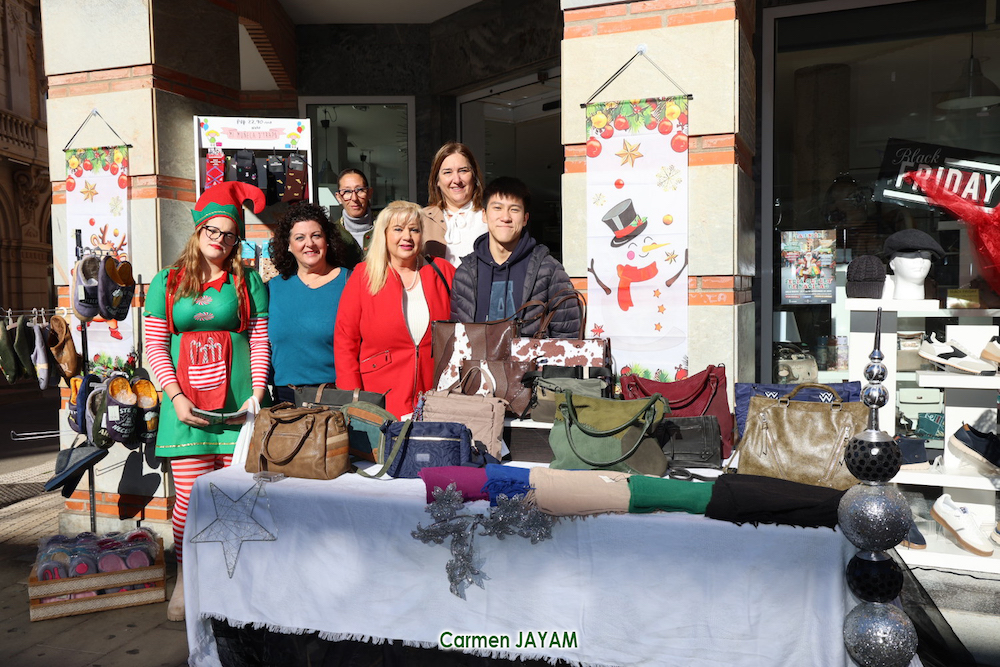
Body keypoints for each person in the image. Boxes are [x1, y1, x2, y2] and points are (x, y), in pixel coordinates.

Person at [143, 182, 270, 622]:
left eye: (229, 234)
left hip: (237, 409)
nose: (220, 240)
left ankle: (238, 583)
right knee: (190, 501)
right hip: (187, 410)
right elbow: (155, 345)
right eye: (212, 231)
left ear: (237, 240)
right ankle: (187, 580)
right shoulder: (167, 282)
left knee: (239, 499)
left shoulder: (249, 281)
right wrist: (174, 397)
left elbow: (260, 340)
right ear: (198, 231)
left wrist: (256, 396)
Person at [335, 200, 455, 418]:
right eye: (398, 229)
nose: (407, 237)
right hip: (379, 401)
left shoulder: (442, 271)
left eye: (414, 230)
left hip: (436, 399)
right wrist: (353, 400)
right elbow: (345, 342)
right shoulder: (363, 276)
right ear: (384, 234)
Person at [450, 177, 581, 337]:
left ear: (525, 218)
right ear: (484, 214)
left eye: (514, 209)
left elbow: (567, 339)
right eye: (497, 208)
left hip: (531, 354)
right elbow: (457, 337)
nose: (505, 217)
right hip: (478, 355)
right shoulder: (465, 273)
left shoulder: (548, 270)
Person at [267, 202, 352, 404]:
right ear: (288, 245)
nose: (310, 243)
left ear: (327, 241)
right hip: (284, 401)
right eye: (300, 238)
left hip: (336, 397)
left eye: (316, 235)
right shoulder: (272, 289)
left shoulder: (349, 282)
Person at [420, 142, 487, 265]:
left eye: (463, 171)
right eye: (447, 172)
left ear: (474, 176)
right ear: (437, 180)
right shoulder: (422, 219)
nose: (456, 180)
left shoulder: (490, 217)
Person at [333, 168, 374, 269]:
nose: (354, 198)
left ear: (369, 193)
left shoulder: (385, 228)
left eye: (360, 190)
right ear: (338, 197)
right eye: (347, 192)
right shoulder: (332, 233)